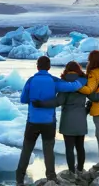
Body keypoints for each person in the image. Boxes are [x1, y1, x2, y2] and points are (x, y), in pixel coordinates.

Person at [32, 61, 99, 181]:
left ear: (66, 70)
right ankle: (80, 170)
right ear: (78, 70)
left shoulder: (65, 84)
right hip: (81, 118)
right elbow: (95, 97)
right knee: (80, 146)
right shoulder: (83, 83)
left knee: (69, 148)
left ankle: (72, 172)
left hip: (67, 120)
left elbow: (57, 102)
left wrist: (41, 103)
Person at [16, 56, 85, 185]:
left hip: (32, 121)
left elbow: (23, 99)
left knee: (27, 149)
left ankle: (19, 179)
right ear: (49, 67)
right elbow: (73, 87)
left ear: (37, 66)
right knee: (48, 150)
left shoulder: (31, 80)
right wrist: (81, 80)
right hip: (48, 122)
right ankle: (51, 177)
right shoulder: (53, 80)